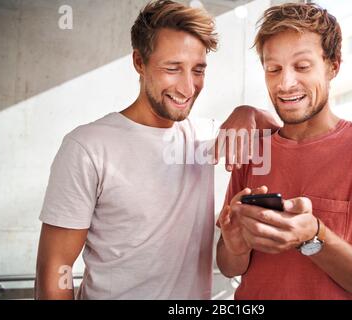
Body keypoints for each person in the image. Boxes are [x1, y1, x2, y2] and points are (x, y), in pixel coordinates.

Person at [35, 0, 278, 300]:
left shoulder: (206, 138)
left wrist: (247, 110)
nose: (188, 88)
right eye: (173, 69)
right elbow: (54, 269)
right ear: (139, 62)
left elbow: (285, 128)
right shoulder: (87, 147)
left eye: (198, 70)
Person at [216, 2, 352, 300]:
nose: (285, 83)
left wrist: (315, 238)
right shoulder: (253, 150)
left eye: (302, 66)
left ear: (333, 66)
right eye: (273, 69)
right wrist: (236, 246)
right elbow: (227, 266)